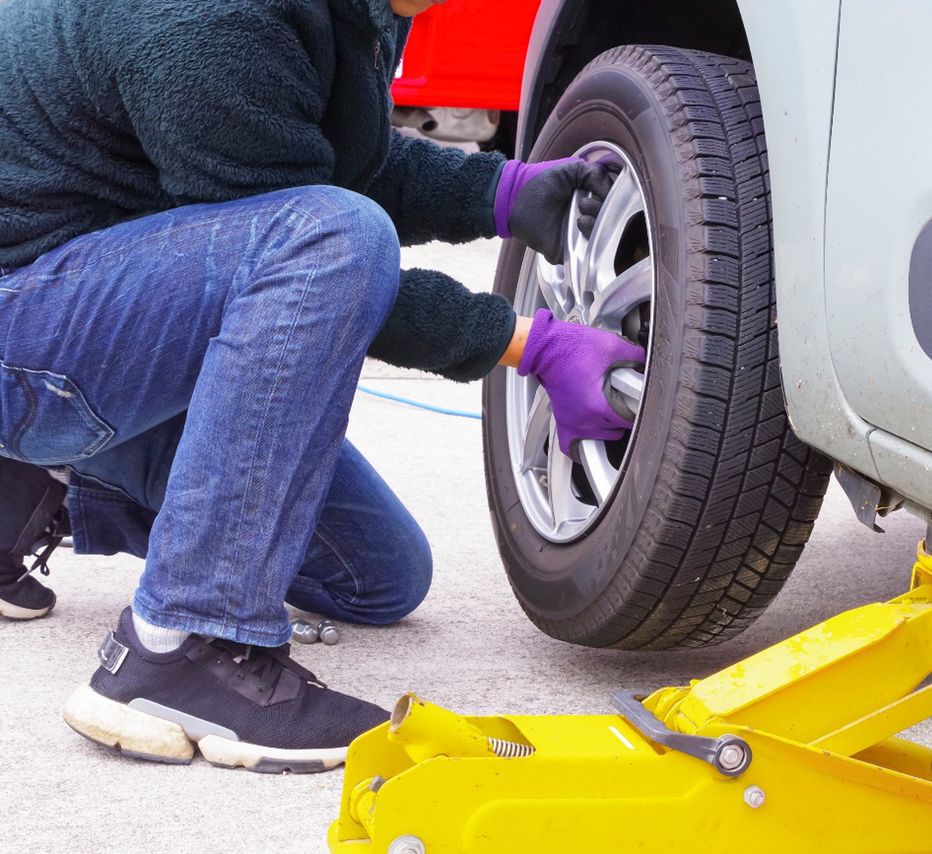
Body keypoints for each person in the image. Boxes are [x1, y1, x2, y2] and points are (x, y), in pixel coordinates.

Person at [0, 0, 645, 773]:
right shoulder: (209, 23)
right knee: (334, 239)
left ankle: (39, 483)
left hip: (88, 304)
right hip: (26, 329)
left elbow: (337, 161)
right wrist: (525, 344)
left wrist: (500, 193)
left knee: (380, 577)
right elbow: (313, 249)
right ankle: (182, 644)